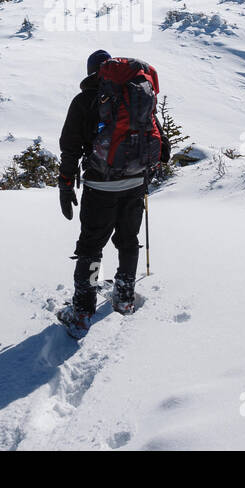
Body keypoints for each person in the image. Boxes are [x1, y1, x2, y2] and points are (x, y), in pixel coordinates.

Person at [56, 49, 170, 332]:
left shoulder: (84, 101)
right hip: (135, 183)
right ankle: (124, 297)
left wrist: (66, 183)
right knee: (128, 241)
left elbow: (70, 147)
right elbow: (164, 149)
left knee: (91, 248)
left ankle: (83, 309)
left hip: (99, 186)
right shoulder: (136, 99)